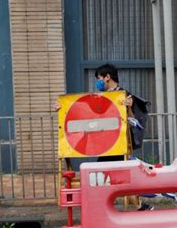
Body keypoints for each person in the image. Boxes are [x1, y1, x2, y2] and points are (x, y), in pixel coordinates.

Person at [55, 64, 152, 211]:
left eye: (99, 78)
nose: (98, 82)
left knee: (102, 174)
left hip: (119, 143)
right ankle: (139, 206)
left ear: (107, 77)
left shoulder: (124, 95)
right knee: (120, 175)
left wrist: (129, 108)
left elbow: (133, 121)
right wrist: (63, 108)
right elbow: (85, 111)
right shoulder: (103, 97)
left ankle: (102, 207)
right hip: (107, 143)